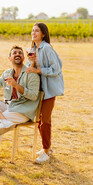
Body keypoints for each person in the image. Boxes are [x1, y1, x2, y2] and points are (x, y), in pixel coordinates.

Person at [25, 22, 64, 164]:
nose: (33, 33)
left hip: (49, 89)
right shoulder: (33, 49)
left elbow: (57, 68)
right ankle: (47, 147)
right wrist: (32, 64)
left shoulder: (47, 48)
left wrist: (38, 69)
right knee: (40, 120)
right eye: (32, 30)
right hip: (39, 90)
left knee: (45, 121)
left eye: (37, 31)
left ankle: (46, 151)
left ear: (43, 34)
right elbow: (32, 69)